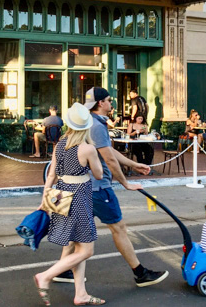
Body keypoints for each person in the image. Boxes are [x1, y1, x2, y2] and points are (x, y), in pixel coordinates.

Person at [54, 87, 169, 287]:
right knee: (118, 227)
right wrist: (126, 183)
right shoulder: (97, 126)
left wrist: (133, 164)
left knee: (75, 231)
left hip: (80, 187)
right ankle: (140, 273)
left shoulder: (88, 123)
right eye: (108, 100)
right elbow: (109, 159)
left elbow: (109, 152)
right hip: (98, 189)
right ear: (100, 103)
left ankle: (64, 270)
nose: (111, 103)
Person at [34, 103, 105, 306]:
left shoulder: (60, 145)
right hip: (79, 198)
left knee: (75, 245)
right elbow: (99, 174)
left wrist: (44, 201)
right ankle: (46, 275)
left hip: (61, 196)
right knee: (87, 250)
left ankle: (80, 293)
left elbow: (51, 174)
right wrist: (94, 159)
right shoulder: (88, 148)